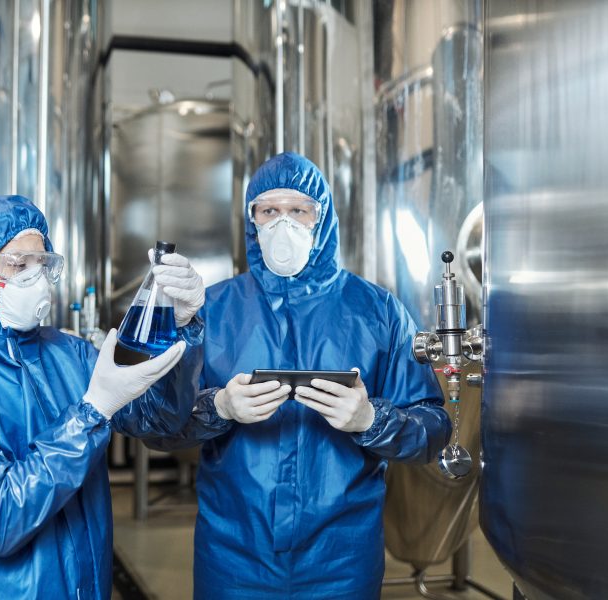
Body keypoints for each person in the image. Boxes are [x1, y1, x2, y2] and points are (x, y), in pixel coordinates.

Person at [148, 152, 451, 598]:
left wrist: (371, 420)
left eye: (298, 211)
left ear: (321, 218)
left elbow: (434, 428)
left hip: (341, 557)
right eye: (269, 211)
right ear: (251, 220)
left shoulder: (377, 311)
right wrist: (220, 407)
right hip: (234, 555)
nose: (282, 224)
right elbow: (158, 427)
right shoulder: (209, 309)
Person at [0, 195, 206, 599]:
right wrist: (91, 413)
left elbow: (159, 418)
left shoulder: (66, 353)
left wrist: (181, 325)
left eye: (43, 264)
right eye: (19, 264)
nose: (35, 277)